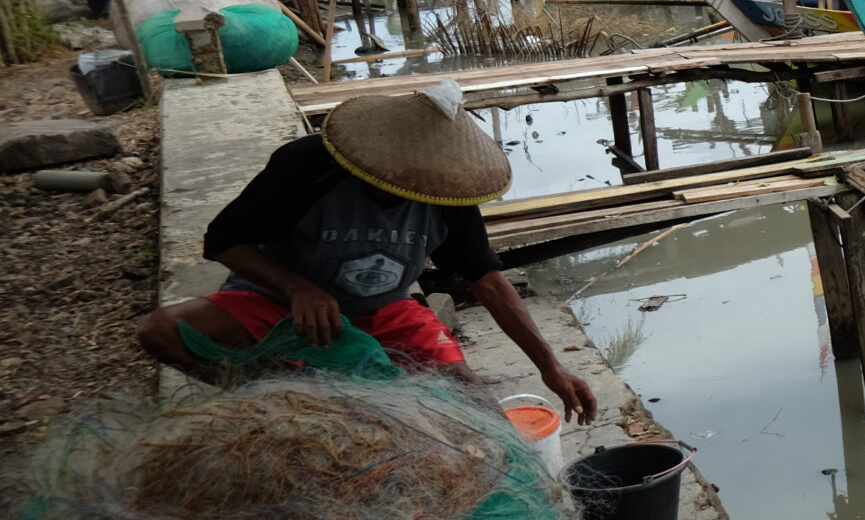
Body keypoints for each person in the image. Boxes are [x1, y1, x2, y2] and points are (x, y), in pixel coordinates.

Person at [136, 77, 598, 421]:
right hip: (278, 304)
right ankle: (269, 400)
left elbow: (490, 281)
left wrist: (550, 366)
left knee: (473, 401)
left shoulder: (448, 191)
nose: (410, 188)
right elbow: (222, 241)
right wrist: (297, 288)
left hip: (384, 308)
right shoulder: (307, 165)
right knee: (160, 331)